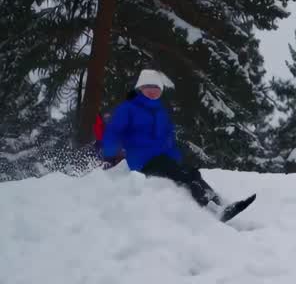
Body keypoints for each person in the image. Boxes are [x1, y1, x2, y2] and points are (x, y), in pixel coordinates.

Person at [100, 69, 255, 222]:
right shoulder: (128, 108)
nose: (153, 92)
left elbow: (168, 139)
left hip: (162, 158)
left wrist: (176, 158)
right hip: (142, 159)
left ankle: (219, 205)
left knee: (191, 172)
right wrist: (109, 154)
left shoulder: (160, 112)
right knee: (183, 174)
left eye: (156, 89)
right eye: (149, 88)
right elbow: (113, 132)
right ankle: (212, 207)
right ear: (140, 89)